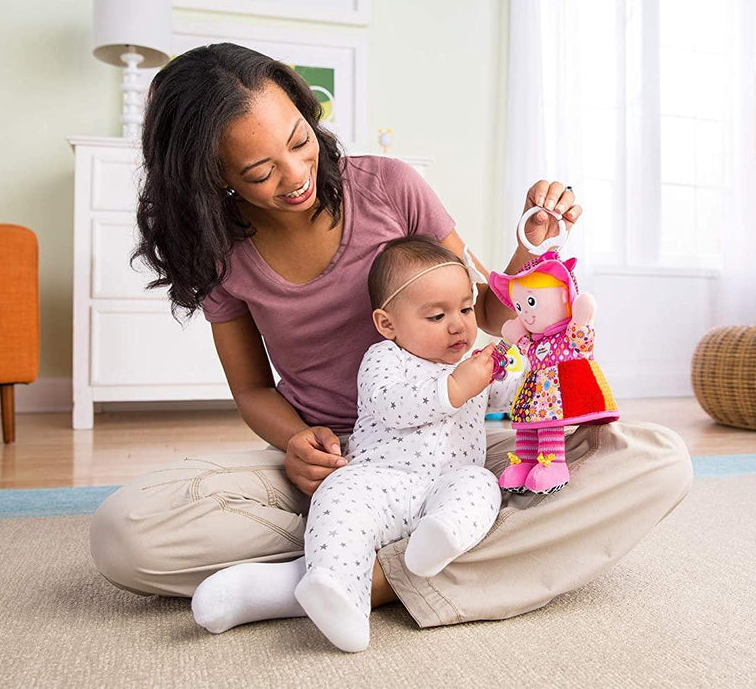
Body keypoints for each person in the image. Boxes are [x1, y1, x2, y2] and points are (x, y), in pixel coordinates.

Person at [89, 42, 693, 631]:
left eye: (300, 142)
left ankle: (359, 577)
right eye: (260, 171)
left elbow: (482, 311)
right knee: (125, 532)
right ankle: (385, 546)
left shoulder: (390, 186)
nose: (297, 175)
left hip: (455, 450)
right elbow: (251, 389)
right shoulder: (222, 251)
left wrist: (532, 246)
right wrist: (299, 443)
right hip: (336, 467)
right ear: (211, 176)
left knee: (654, 461)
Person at [192, 237, 524, 652]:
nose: (458, 325)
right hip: (378, 484)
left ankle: (438, 540)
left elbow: (517, 396)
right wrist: (459, 385)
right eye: (437, 316)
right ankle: (339, 595)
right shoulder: (385, 358)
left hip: (444, 487)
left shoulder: (471, 365)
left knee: (481, 483)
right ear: (387, 324)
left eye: (465, 309)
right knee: (339, 492)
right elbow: (396, 407)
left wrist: (541, 369)